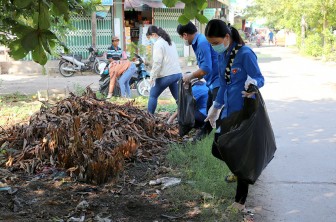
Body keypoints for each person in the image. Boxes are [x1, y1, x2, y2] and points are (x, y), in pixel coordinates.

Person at [204, 19, 265, 212]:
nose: (214, 47)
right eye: (211, 44)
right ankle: (239, 173)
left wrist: (252, 86)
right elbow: (223, 84)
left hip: (244, 111)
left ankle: (239, 203)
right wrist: (215, 107)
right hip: (229, 112)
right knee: (217, 148)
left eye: (215, 43)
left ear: (227, 37)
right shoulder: (223, 57)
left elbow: (260, 79)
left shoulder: (245, 54)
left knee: (240, 156)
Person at [176, 22, 219, 141]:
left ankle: (220, 145)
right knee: (210, 116)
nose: (182, 39)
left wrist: (190, 77)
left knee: (216, 116)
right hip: (212, 83)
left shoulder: (201, 42)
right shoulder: (199, 41)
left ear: (185, 35)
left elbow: (206, 68)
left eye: (181, 37)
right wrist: (193, 77)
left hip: (218, 83)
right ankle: (196, 141)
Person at [146, 26, 182, 114]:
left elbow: (157, 62)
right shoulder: (170, 42)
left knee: (153, 95)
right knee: (179, 99)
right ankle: (186, 116)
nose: (150, 40)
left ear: (154, 35)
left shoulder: (158, 44)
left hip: (167, 75)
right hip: (177, 74)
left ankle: (149, 117)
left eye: (149, 37)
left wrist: (152, 77)